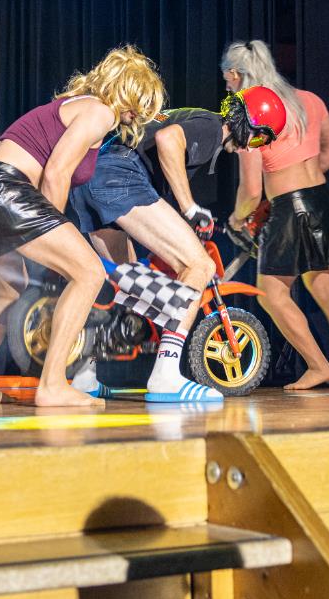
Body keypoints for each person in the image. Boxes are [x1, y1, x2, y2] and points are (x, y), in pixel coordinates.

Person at [0, 46, 165, 408]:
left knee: (8, 291)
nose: (136, 116)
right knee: (89, 274)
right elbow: (57, 172)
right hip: (4, 189)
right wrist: (58, 229)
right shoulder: (100, 111)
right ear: (126, 91)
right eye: (138, 105)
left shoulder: (71, 105)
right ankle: (52, 385)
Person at [67, 86, 288, 402]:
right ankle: (166, 376)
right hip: (120, 177)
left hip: (90, 178)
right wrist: (190, 208)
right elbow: (168, 139)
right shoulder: (212, 126)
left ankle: (84, 374)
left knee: (127, 282)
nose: (250, 147)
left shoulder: (193, 120)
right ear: (248, 123)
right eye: (257, 139)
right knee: (200, 266)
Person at [222, 39, 329, 389]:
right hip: (322, 201)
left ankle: (319, 365)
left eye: (227, 80)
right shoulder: (309, 100)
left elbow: (251, 190)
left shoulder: (252, 111)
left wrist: (237, 218)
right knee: (323, 285)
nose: (227, 87)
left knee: (272, 293)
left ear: (235, 74)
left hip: (289, 209)